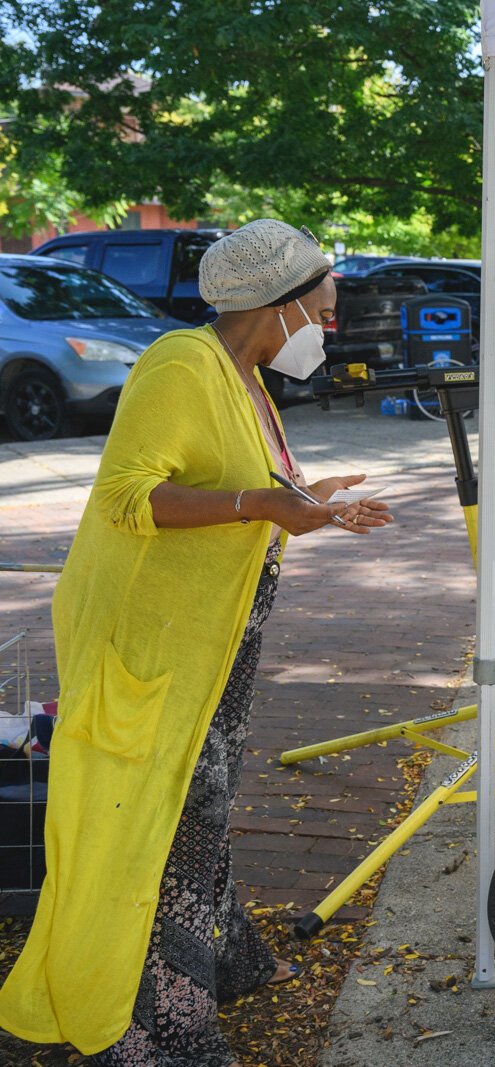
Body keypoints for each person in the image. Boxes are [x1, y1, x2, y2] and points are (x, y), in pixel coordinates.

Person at [0, 219, 393, 1065]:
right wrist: (264, 505)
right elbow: (127, 496)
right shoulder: (180, 362)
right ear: (276, 304)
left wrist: (311, 502)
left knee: (193, 813)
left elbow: (248, 488)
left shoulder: (242, 374)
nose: (327, 324)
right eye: (320, 309)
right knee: (157, 824)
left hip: (212, 644)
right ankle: (149, 1018)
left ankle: (213, 960)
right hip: (148, 644)